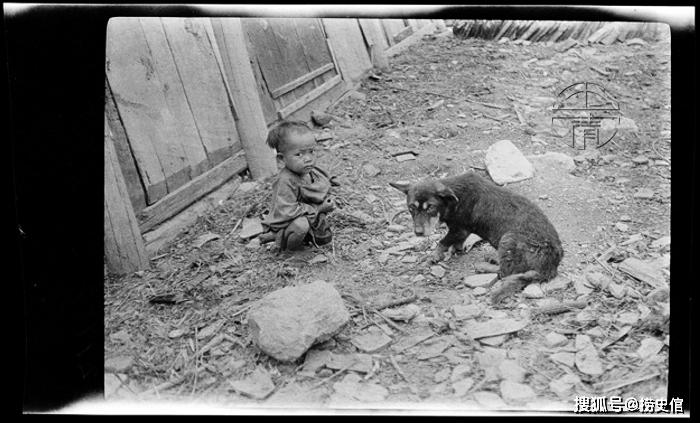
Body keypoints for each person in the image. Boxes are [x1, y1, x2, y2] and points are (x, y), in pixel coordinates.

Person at [260, 120, 335, 251]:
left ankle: (309, 237)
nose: (308, 158)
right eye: (299, 154)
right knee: (301, 226)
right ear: (282, 159)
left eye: (311, 151)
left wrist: (331, 183)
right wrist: (318, 208)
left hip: (307, 214)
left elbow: (322, 178)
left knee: (323, 237)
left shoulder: (307, 169)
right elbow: (287, 211)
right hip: (287, 222)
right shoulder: (285, 180)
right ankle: (290, 250)